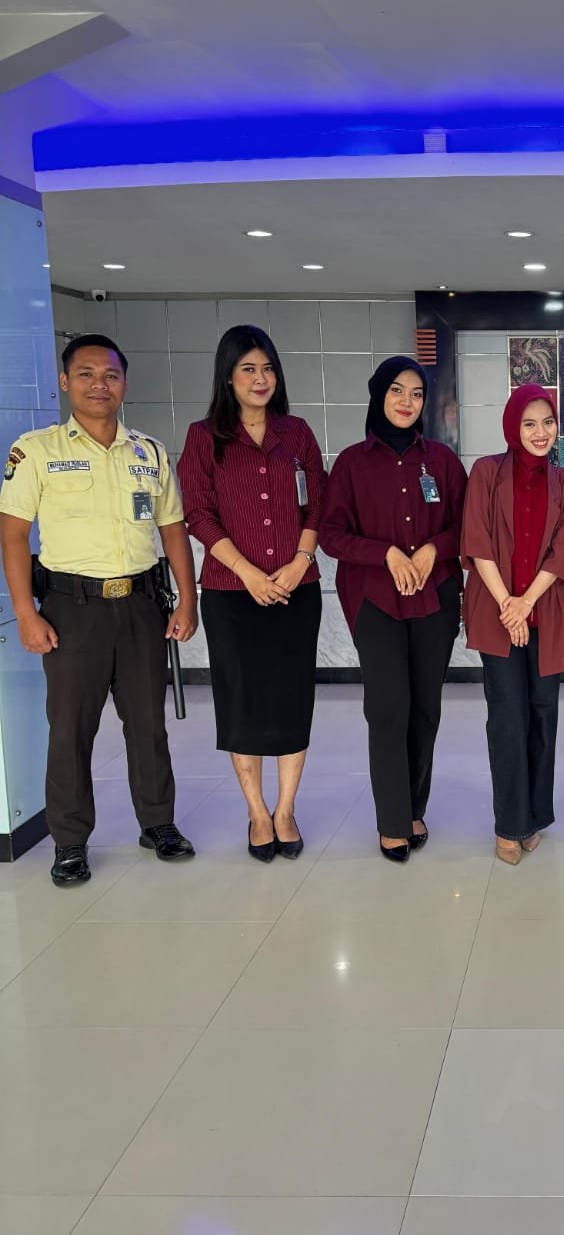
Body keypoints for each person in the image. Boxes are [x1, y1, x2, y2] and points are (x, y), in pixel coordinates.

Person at [0, 334, 197, 887]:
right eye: (85, 374)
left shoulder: (148, 452)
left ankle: (157, 823)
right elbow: (13, 535)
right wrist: (26, 613)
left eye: (110, 375)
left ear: (124, 382)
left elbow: (173, 530)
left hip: (140, 605)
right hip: (71, 610)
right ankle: (69, 842)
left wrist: (188, 600)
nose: (99, 385)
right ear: (65, 382)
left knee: (148, 724)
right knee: (69, 730)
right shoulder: (35, 451)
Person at [178, 325, 325, 861]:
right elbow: (198, 513)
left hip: (295, 589)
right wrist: (248, 573)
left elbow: (319, 503)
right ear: (228, 376)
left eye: (267, 369)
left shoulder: (297, 433)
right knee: (242, 700)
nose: (260, 379)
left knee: (291, 698)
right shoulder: (204, 437)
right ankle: (257, 813)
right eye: (248, 369)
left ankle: (285, 809)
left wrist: (300, 561)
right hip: (232, 594)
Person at [319, 355, 466, 862]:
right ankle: (392, 821)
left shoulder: (442, 461)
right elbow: (332, 535)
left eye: (417, 393)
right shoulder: (351, 464)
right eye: (397, 391)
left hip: (434, 598)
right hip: (375, 601)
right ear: (379, 394)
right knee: (387, 709)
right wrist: (385, 553)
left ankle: (414, 807)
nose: (407, 402)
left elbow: (467, 526)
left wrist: (432, 550)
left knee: (425, 709)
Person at [462, 385, 564, 863]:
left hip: (546, 612)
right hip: (497, 612)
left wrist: (526, 601)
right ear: (513, 426)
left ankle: (534, 815)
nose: (540, 432)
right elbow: (477, 541)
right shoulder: (486, 472)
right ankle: (509, 823)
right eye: (529, 423)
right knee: (507, 717)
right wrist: (508, 605)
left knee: (543, 714)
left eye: (547, 422)